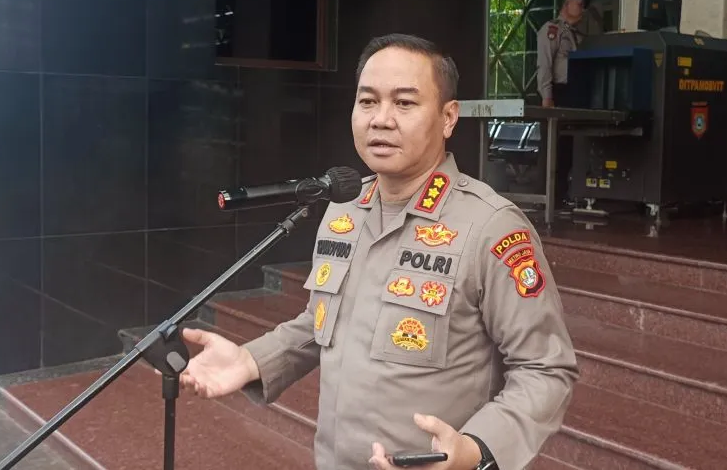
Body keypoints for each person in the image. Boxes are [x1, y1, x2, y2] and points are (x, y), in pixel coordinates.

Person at [178, 34, 579, 470]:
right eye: (367, 102)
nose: (381, 120)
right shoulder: (345, 210)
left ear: (448, 117)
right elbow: (321, 323)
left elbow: (546, 368)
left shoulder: (490, 226)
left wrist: (475, 450)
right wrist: (251, 359)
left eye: (404, 103)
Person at [536, 0, 589, 108]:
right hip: (558, 92)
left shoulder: (577, 35)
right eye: (580, 5)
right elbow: (545, 63)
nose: (583, 9)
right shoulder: (553, 29)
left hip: (575, 92)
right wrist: (547, 97)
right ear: (566, 5)